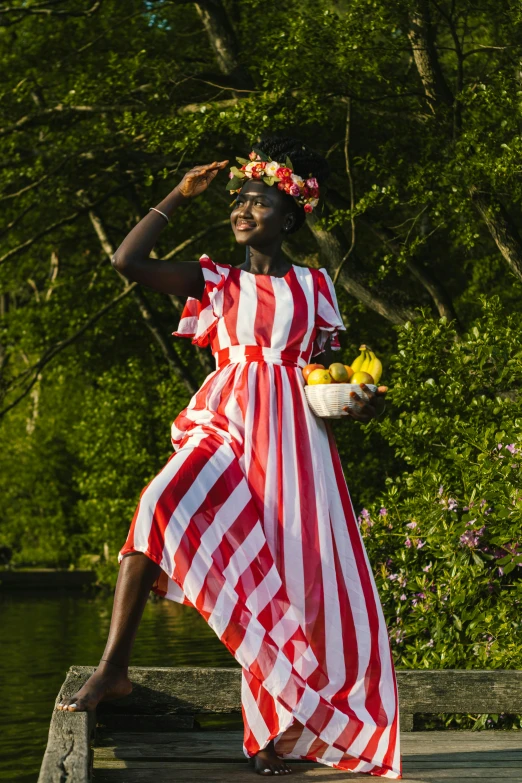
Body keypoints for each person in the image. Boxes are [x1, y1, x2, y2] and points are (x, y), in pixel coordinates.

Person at [57, 136, 401, 779]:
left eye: (259, 202)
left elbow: (333, 369)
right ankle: (114, 667)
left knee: (287, 579)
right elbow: (126, 262)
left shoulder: (314, 285)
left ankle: (276, 734)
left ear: (290, 217)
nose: (242, 208)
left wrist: (361, 399)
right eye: (238, 200)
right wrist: (177, 197)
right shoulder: (214, 278)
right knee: (159, 501)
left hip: (298, 441)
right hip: (226, 421)